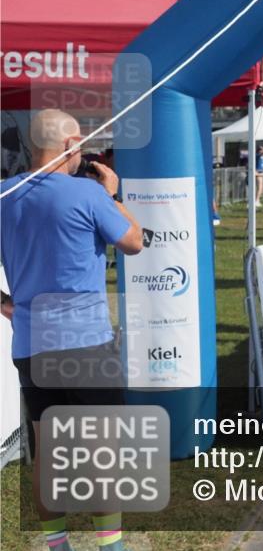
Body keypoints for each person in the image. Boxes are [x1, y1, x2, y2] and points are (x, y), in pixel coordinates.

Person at [1, 109, 144, 551]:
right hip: (84, 345)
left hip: (30, 345)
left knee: (47, 456)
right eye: (79, 147)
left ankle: (56, 544)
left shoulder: (5, 194)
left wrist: (9, 306)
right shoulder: (88, 193)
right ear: (69, 144)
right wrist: (112, 194)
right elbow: (135, 241)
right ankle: (111, 546)